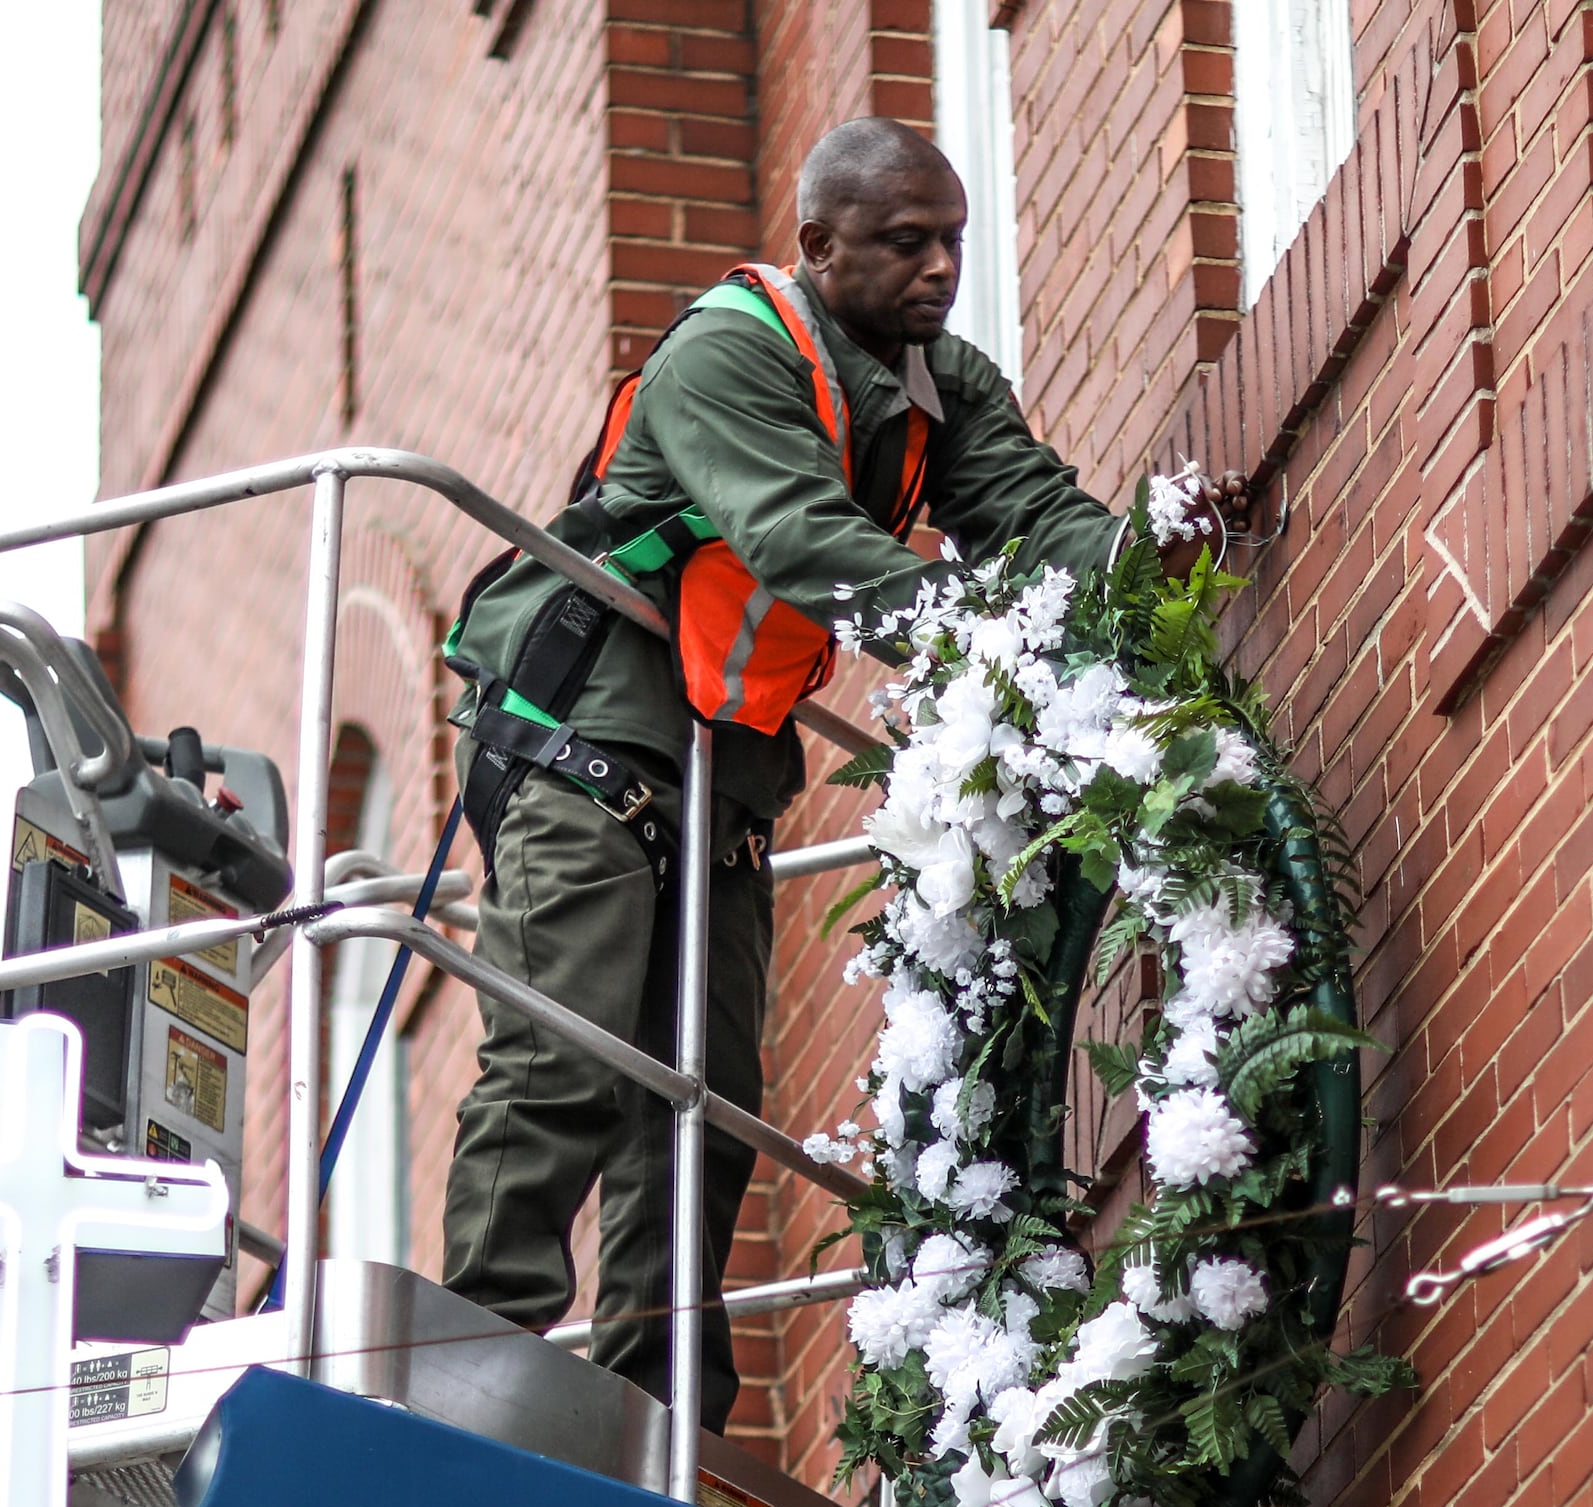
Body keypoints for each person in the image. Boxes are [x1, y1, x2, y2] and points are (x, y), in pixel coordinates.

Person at [438, 117, 1136, 1434]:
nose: (939, 269)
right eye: (903, 242)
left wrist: (1147, 571)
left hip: (720, 772)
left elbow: (1037, 514)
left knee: (696, 1104)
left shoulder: (939, 385)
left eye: (953, 242)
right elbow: (800, 539)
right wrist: (980, 646)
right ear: (819, 246)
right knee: (565, 1062)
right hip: (588, 724)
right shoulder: (730, 352)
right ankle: (467, 1374)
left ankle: (664, 1420)